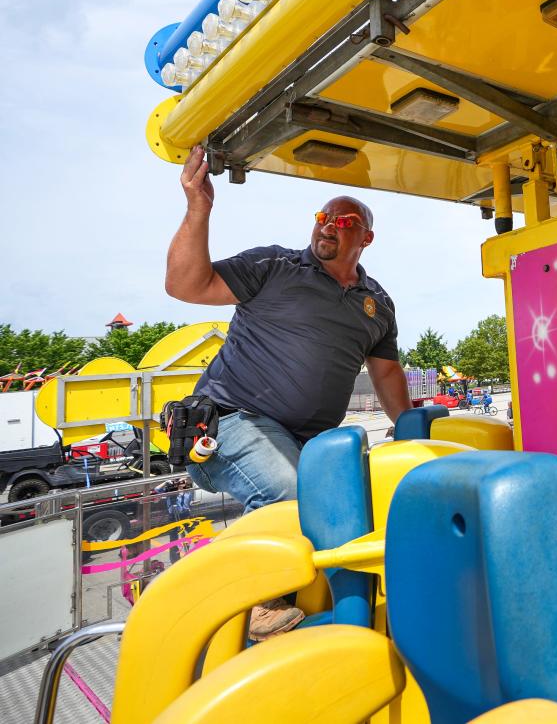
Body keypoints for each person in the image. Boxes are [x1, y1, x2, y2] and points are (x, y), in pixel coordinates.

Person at [166, 145, 412, 637]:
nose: (327, 225)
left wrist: (408, 431)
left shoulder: (376, 302)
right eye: (323, 216)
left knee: (361, 501)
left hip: (308, 441)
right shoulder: (274, 266)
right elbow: (185, 285)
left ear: (366, 236)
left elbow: (386, 374)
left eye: (342, 221)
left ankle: (352, 615)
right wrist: (199, 208)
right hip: (231, 420)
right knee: (291, 493)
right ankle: (251, 603)